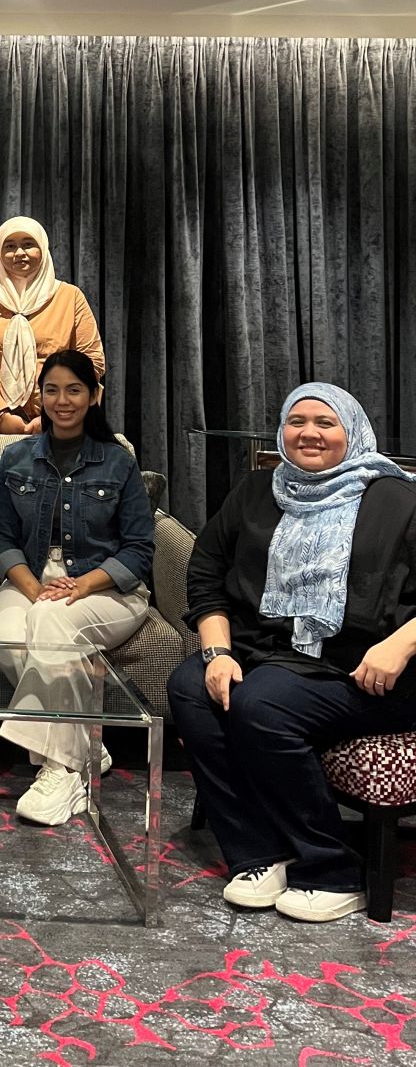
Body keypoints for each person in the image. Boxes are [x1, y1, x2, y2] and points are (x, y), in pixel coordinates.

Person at [168, 382, 416, 923]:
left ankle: (331, 870)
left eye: (325, 423)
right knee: (189, 686)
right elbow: (206, 571)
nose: (309, 433)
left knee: (262, 703)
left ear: (353, 432)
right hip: (269, 650)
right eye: (296, 421)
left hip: (367, 667)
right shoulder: (258, 490)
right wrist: (217, 652)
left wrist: (401, 643)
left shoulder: (397, 500)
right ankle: (260, 853)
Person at [0, 348, 154, 825]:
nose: (62, 400)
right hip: (31, 579)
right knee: (11, 636)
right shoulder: (16, 457)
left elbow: (139, 549)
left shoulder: (118, 461)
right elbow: (0, 537)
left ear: (94, 395)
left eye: (74, 390)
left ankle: (58, 771)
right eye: (52, 390)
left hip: (106, 589)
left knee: (49, 621)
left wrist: (82, 586)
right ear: (39, 396)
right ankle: (85, 747)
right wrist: (31, 586)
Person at [0, 217, 105, 434]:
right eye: (10, 246)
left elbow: (91, 362)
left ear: (43, 247)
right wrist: (0, 417)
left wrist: (51, 415)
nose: (19, 253)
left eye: (28, 244)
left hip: (59, 422)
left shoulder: (70, 297)